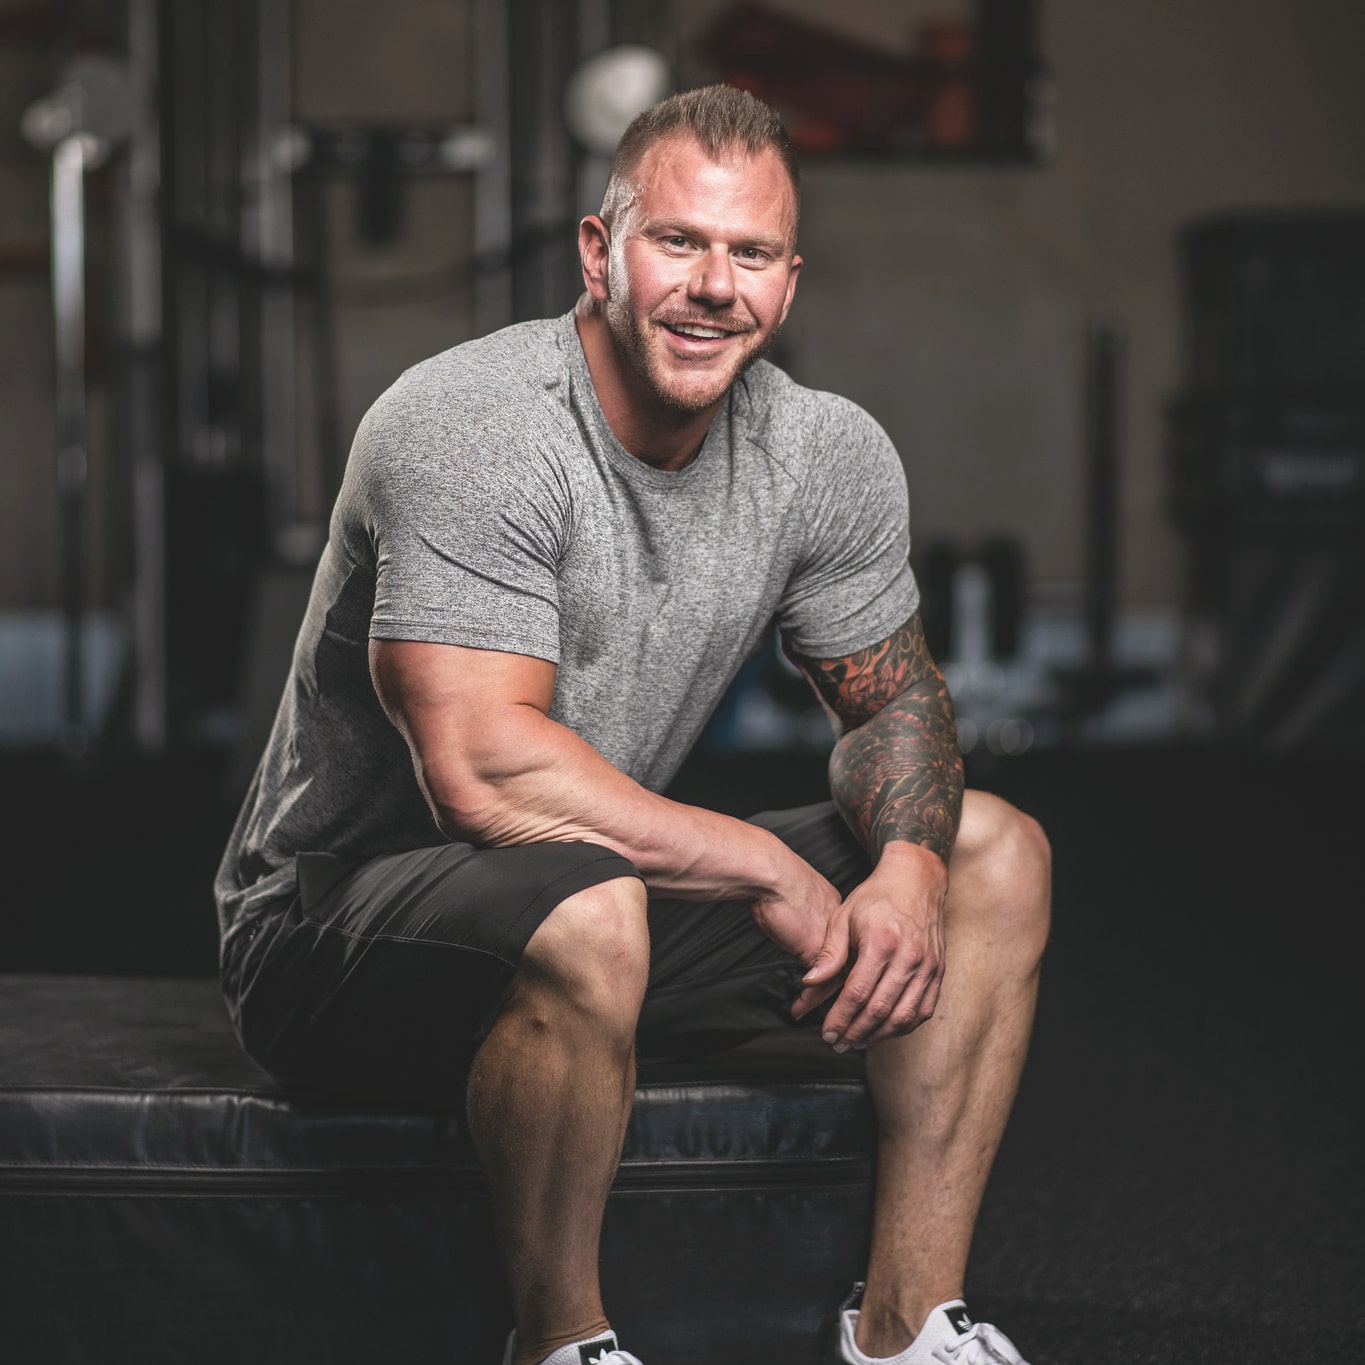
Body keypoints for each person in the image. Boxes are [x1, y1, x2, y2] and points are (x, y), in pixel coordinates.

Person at [215, 83, 1051, 1365]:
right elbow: (483, 772)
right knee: (592, 901)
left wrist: (909, 865)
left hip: (597, 914)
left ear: (788, 281)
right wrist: (764, 861)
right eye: (679, 243)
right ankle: (562, 1343)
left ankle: (906, 1328)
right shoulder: (474, 425)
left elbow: (899, 707)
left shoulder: (825, 455)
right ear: (600, 251)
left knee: (996, 851)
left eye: (752, 254)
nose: (717, 287)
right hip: (331, 930)